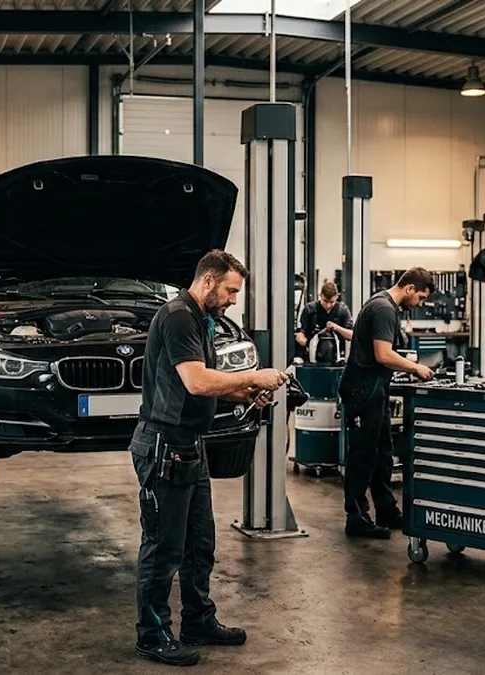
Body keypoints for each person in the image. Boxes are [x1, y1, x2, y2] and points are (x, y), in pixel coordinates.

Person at [129, 249, 289, 667]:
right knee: (163, 547)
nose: (235, 299)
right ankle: (152, 635)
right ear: (207, 282)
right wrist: (254, 375)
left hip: (189, 445)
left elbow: (208, 385)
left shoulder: (202, 320)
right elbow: (197, 382)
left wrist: (247, 393)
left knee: (199, 544)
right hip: (164, 445)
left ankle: (198, 620)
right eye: (231, 290)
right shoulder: (179, 316)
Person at [338, 267, 435, 539]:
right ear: (410, 289)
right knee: (362, 456)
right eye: (422, 298)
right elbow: (383, 354)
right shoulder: (384, 308)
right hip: (362, 392)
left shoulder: (380, 303)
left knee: (382, 453)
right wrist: (415, 368)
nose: (421, 304)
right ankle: (356, 517)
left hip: (374, 390)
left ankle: (386, 510)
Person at [294, 280, 354, 362]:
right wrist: (302, 340)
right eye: (325, 301)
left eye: (332, 302)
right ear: (320, 295)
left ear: (337, 297)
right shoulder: (310, 309)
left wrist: (337, 328)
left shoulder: (342, 310)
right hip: (311, 356)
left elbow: (351, 335)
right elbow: (300, 333)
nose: (328, 305)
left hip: (337, 358)